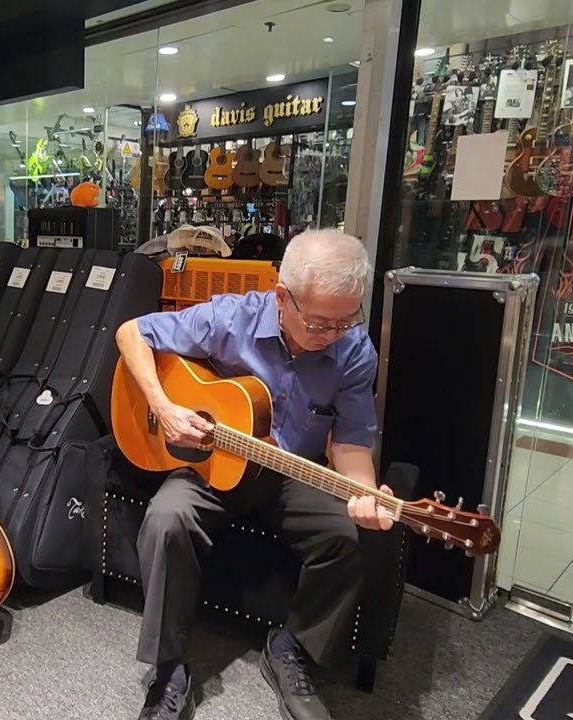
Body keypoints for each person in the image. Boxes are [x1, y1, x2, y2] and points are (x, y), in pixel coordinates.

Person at [114, 229, 395, 720]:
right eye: (320, 323)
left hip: (290, 474)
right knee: (167, 519)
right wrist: (165, 406)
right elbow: (132, 333)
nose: (333, 334)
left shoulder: (354, 350)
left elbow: (351, 443)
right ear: (282, 298)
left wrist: (365, 494)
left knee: (352, 534)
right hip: (211, 469)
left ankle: (292, 649)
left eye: (346, 320)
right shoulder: (230, 317)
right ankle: (169, 669)